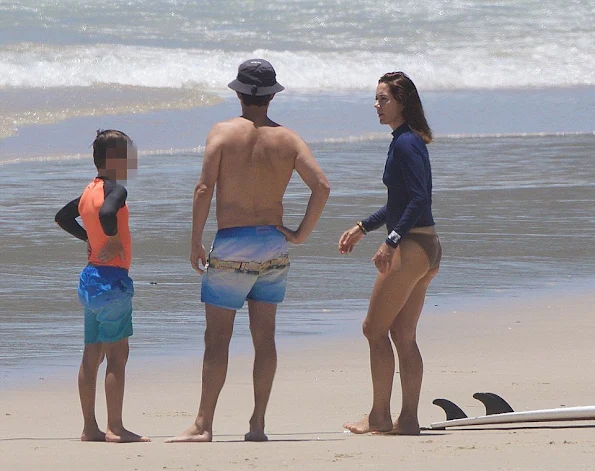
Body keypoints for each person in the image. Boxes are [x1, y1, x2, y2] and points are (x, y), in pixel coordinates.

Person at [166, 59, 330, 443]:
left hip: (234, 243)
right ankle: (257, 423)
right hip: (273, 244)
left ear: (239, 93)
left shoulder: (222, 133)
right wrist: (301, 234)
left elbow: (204, 189)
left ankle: (204, 425)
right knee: (264, 337)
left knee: (218, 338)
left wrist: (195, 239)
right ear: (271, 96)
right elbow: (321, 186)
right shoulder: (289, 139)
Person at [339, 72, 441, 435]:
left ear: (402, 102)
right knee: (403, 335)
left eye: (383, 99)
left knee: (373, 329)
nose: (376, 105)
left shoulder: (406, 144)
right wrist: (364, 227)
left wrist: (390, 241)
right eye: (376, 98)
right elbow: (398, 202)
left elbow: (418, 200)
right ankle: (408, 419)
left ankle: (380, 416)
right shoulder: (409, 141)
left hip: (412, 247)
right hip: (426, 248)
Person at [54, 130, 149, 443]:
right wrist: (113, 240)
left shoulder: (88, 191)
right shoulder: (115, 190)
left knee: (91, 354)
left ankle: (89, 428)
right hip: (112, 280)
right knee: (117, 356)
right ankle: (116, 428)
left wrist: (88, 239)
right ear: (113, 159)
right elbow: (109, 212)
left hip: (91, 278)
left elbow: (63, 217)